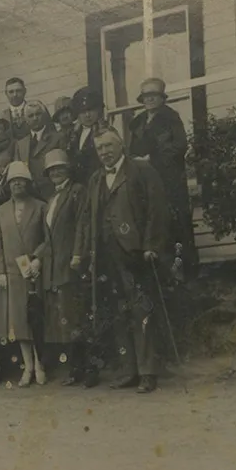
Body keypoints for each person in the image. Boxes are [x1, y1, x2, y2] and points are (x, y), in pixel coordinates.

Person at [72, 127, 169, 394]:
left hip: (134, 252)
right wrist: (87, 254)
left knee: (142, 310)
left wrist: (151, 245)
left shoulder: (140, 170)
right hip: (105, 257)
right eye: (99, 148)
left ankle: (148, 371)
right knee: (118, 314)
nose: (104, 152)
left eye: (108, 146)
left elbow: (156, 210)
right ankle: (129, 370)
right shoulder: (94, 179)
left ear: (121, 145)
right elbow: (88, 219)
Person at [128, 77, 197, 280]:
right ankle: (159, 272)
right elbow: (131, 149)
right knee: (152, 219)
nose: (150, 100)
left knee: (176, 221)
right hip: (145, 179)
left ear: (161, 98)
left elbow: (179, 146)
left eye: (154, 96)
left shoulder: (171, 118)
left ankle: (184, 270)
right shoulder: (138, 122)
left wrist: (153, 158)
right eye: (146, 96)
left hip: (169, 179)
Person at [37, 150, 95, 388]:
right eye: (51, 170)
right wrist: (35, 257)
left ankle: (90, 369)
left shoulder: (77, 192)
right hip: (53, 268)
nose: (55, 172)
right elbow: (48, 239)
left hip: (70, 264)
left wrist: (78, 254)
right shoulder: (51, 199)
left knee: (76, 317)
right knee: (63, 321)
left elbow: (83, 224)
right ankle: (75, 369)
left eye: (60, 168)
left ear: (68, 169)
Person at [0, 162, 47, 388]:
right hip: (12, 274)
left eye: (21, 180)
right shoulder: (0, 211)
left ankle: (40, 364)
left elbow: (48, 238)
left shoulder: (41, 207)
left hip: (33, 272)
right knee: (19, 324)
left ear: (28, 183)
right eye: (13, 181)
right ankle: (28, 367)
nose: (17, 184)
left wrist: (38, 258)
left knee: (35, 320)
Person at [13, 100, 64, 201]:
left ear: (44, 116)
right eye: (31, 116)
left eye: (38, 114)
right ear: (25, 119)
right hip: (30, 197)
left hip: (53, 193)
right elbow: (18, 172)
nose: (35, 118)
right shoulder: (21, 144)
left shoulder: (57, 138)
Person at [66, 87, 105, 185]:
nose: (87, 115)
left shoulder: (105, 131)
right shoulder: (73, 135)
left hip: (99, 184)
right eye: (83, 112)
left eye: (91, 110)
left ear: (98, 110)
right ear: (77, 114)